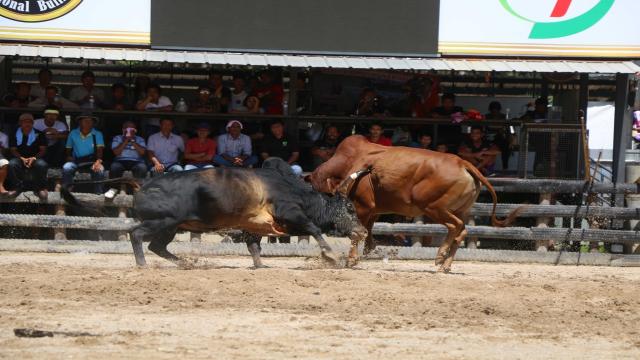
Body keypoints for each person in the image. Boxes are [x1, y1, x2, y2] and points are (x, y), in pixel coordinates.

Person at [8, 113, 48, 200]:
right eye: (24, 122)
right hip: (19, 158)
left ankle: (40, 188)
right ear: (20, 123)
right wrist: (22, 158)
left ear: (33, 123)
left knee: (42, 164)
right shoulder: (14, 133)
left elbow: (43, 150)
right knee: (12, 164)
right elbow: (13, 150)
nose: (27, 124)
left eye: (29, 122)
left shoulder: (40, 134)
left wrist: (33, 158)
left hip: (35, 158)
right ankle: (17, 187)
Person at [63, 115, 106, 194]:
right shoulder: (73, 133)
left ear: (93, 123)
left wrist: (98, 162)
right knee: (66, 167)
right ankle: (68, 191)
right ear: (80, 122)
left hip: (92, 161)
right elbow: (68, 148)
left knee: (100, 170)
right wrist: (69, 156)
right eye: (85, 120)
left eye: (90, 121)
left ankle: (98, 194)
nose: (88, 122)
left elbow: (100, 150)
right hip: (77, 161)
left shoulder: (97, 134)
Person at [104, 121, 148, 198]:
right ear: (123, 129)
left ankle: (138, 190)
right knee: (114, 167)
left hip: (136, 161)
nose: (130, 131)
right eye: (127, 128)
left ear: (135, 130)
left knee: (142, 167)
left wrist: (132, 140)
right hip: (120, 161)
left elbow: (142, 152)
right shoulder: (117, 138)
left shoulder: (140, 139)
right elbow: (116, 152)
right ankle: (113, 189)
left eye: (132, 128)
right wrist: (126, 140)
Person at [0, 129, 15, 197]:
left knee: (5, 162)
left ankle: (0, 185)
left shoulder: (3, 136)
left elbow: (5, 152)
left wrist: (1, 148)